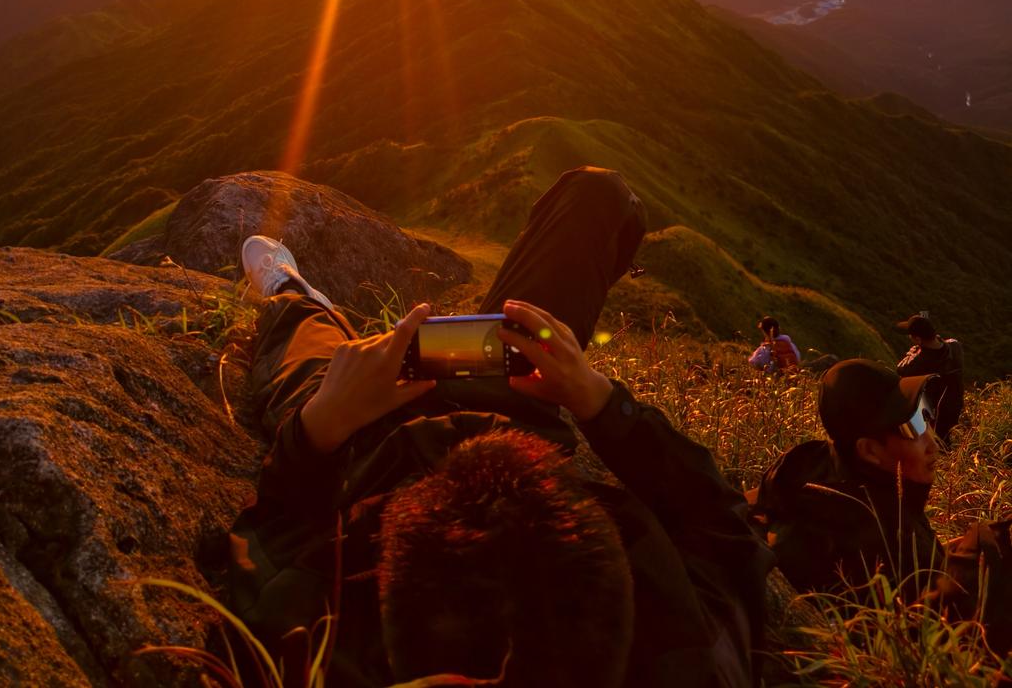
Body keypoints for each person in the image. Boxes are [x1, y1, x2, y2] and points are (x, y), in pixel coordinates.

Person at [227, 166, 772, 688]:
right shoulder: (690, 660)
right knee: (598, 195)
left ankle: (293, 295)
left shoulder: (303, 640)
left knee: (311, 346)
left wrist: (323, 423)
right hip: (521, 412)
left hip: (367, 449)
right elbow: (726, 525)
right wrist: (598, 401)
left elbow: (275, 525)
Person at [754, 359, 1011, 654]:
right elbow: (930, 645)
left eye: (924, 413)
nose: (932, 440)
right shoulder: (873, 544)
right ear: (870, 451)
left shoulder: (819, 473)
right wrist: (986, 548)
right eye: (912, 426)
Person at [896, 312, 964, 444]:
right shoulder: (955, 346)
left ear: (918, 339)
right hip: (954, 408)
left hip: (930, 417)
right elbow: (946, 343)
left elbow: (900, 369)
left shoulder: (917, 365)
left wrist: (914, 352)